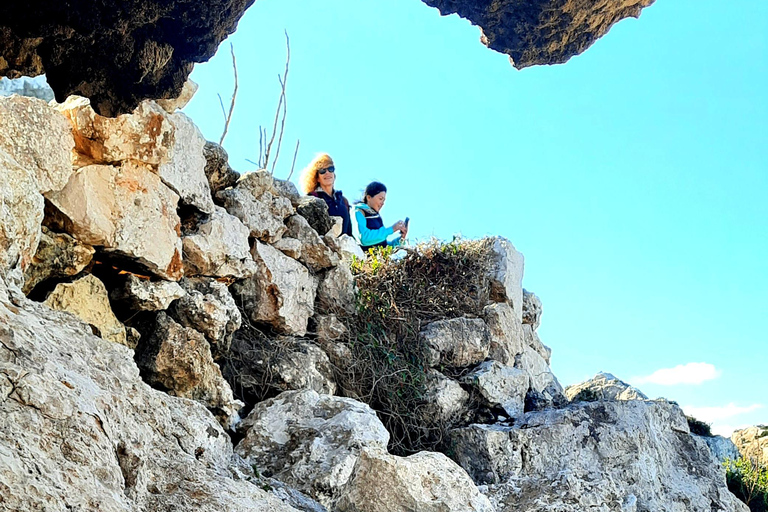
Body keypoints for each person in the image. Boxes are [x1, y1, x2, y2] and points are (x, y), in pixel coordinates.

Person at [299, 153, 352, 237]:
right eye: (322, 171)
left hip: (343, 247)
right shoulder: (311, 199)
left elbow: (349, 232)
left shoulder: (343, 201)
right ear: (317, 178)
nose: (327, 173)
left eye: (330, 169)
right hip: (323, 247)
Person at [354, 181, 407, 252]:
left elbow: (383, 247)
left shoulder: (375, 216)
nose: (382, 203)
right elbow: (363, 238)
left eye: (384, 200)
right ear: (369, 197)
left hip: (377, 261)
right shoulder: (359, 211)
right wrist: (391, 229)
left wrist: (401, 239)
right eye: (380, 199)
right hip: (364, 260)